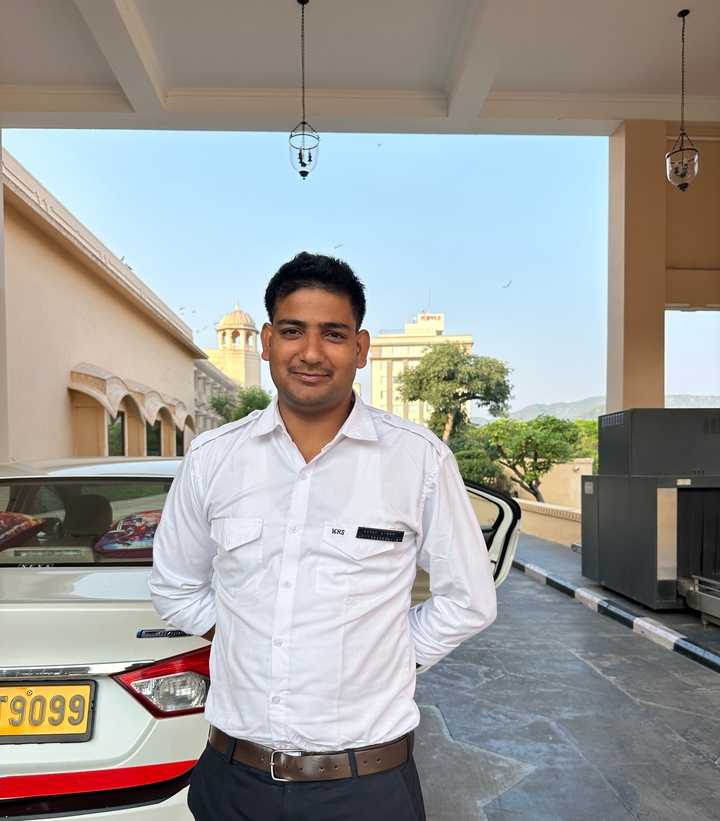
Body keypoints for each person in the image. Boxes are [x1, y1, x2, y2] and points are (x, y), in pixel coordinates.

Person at [148, 252, 497, 821]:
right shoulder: (214, 459)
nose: (311, 353)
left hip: (367, 787)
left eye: (332, 334)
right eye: (292, 331)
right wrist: (245, 630)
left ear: (359, 349)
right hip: (233, 782)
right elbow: (176, 588)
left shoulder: (418, 460)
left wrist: (387, 653)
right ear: (265, 341)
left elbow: (469, 600)